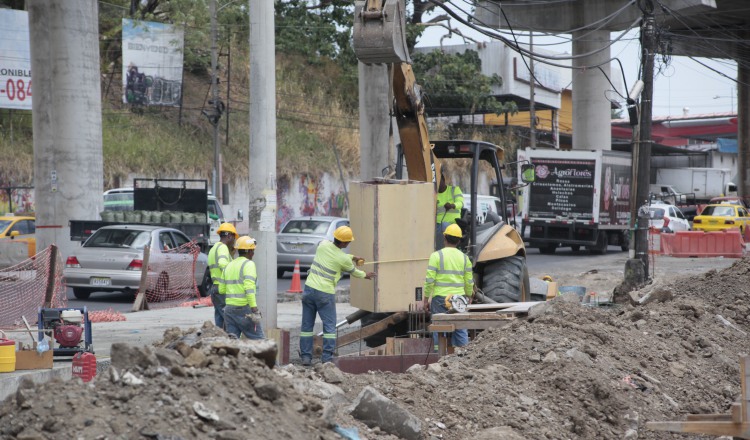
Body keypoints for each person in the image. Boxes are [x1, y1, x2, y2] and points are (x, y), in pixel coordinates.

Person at [299, 226, 375, 366]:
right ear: (345, 243)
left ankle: (305, 357)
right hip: (324, 293)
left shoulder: (323, 245)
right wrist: (366, 275)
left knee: (306, 326)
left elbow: (335, 254)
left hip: (309, 290)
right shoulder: (343, 259)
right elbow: (354, 271)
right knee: (329, 328)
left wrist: (352, 257)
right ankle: (327, 359)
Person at [423, 224, 474, 352]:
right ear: (458, 240)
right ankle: (463, 354)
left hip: (440, 299)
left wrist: (425, 299)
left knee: (439, 328)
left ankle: (438, 355)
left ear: (445, 237)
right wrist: (468, 296)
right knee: (460, 327)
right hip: (458, 299)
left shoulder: (436, 256)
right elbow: (469, 281)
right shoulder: (465, 258)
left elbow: (429, 280)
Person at [219, 235, 265, 340]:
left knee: (232, 344)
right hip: (244, 310)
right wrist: (254, 309)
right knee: (260, 342)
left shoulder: (228, 265)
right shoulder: (249, 264)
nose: (253, 253)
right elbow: (249, 288)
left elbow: (221, 289)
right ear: (250, 251)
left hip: (229, 310)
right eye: (252, 250)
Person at [207, 222, 238, 329]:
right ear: (229, 236)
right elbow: (223, 265)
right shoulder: (222, 248)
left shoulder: (213, 248)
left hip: (215, 288)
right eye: (234, 238)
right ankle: (229, 341)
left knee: (220, 319)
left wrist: (231, 255)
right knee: (229, 319)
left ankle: (219, 340)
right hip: (222, 289)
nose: (234, 241)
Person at [436, 173, 464, 248]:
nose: (437, 184)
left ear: (443, 180)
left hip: (452, 224)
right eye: (436, 182)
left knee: (444, 226)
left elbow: (460, 203)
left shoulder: (454, 190)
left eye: (439, 181)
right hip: (437, 224)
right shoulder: (434, 194)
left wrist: (452, 205)